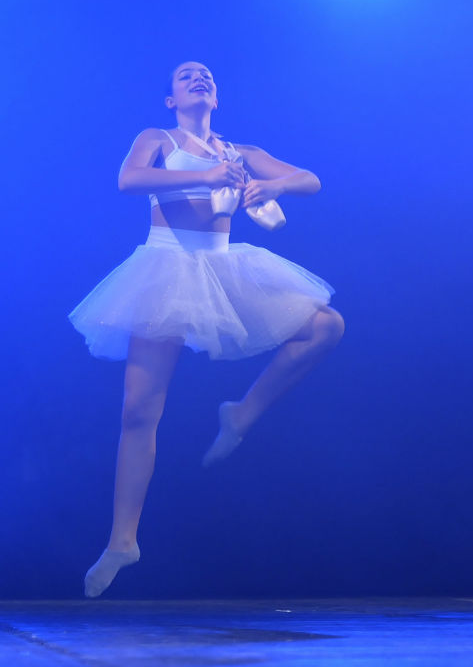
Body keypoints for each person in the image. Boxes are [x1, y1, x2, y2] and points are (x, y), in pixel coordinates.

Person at [69, 61, 344, 598]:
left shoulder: (239, 151)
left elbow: (311, 179)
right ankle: (123, 540)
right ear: (171, 98)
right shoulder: (158, 137)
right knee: (140, 409)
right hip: (166, 268)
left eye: (207, 75)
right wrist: (206, 175)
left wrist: (272, 184)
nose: (199, 78)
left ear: (215, 96)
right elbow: (129, 180)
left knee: (326, 326)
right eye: (186, 75)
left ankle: (242, 412)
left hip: (224, 268)